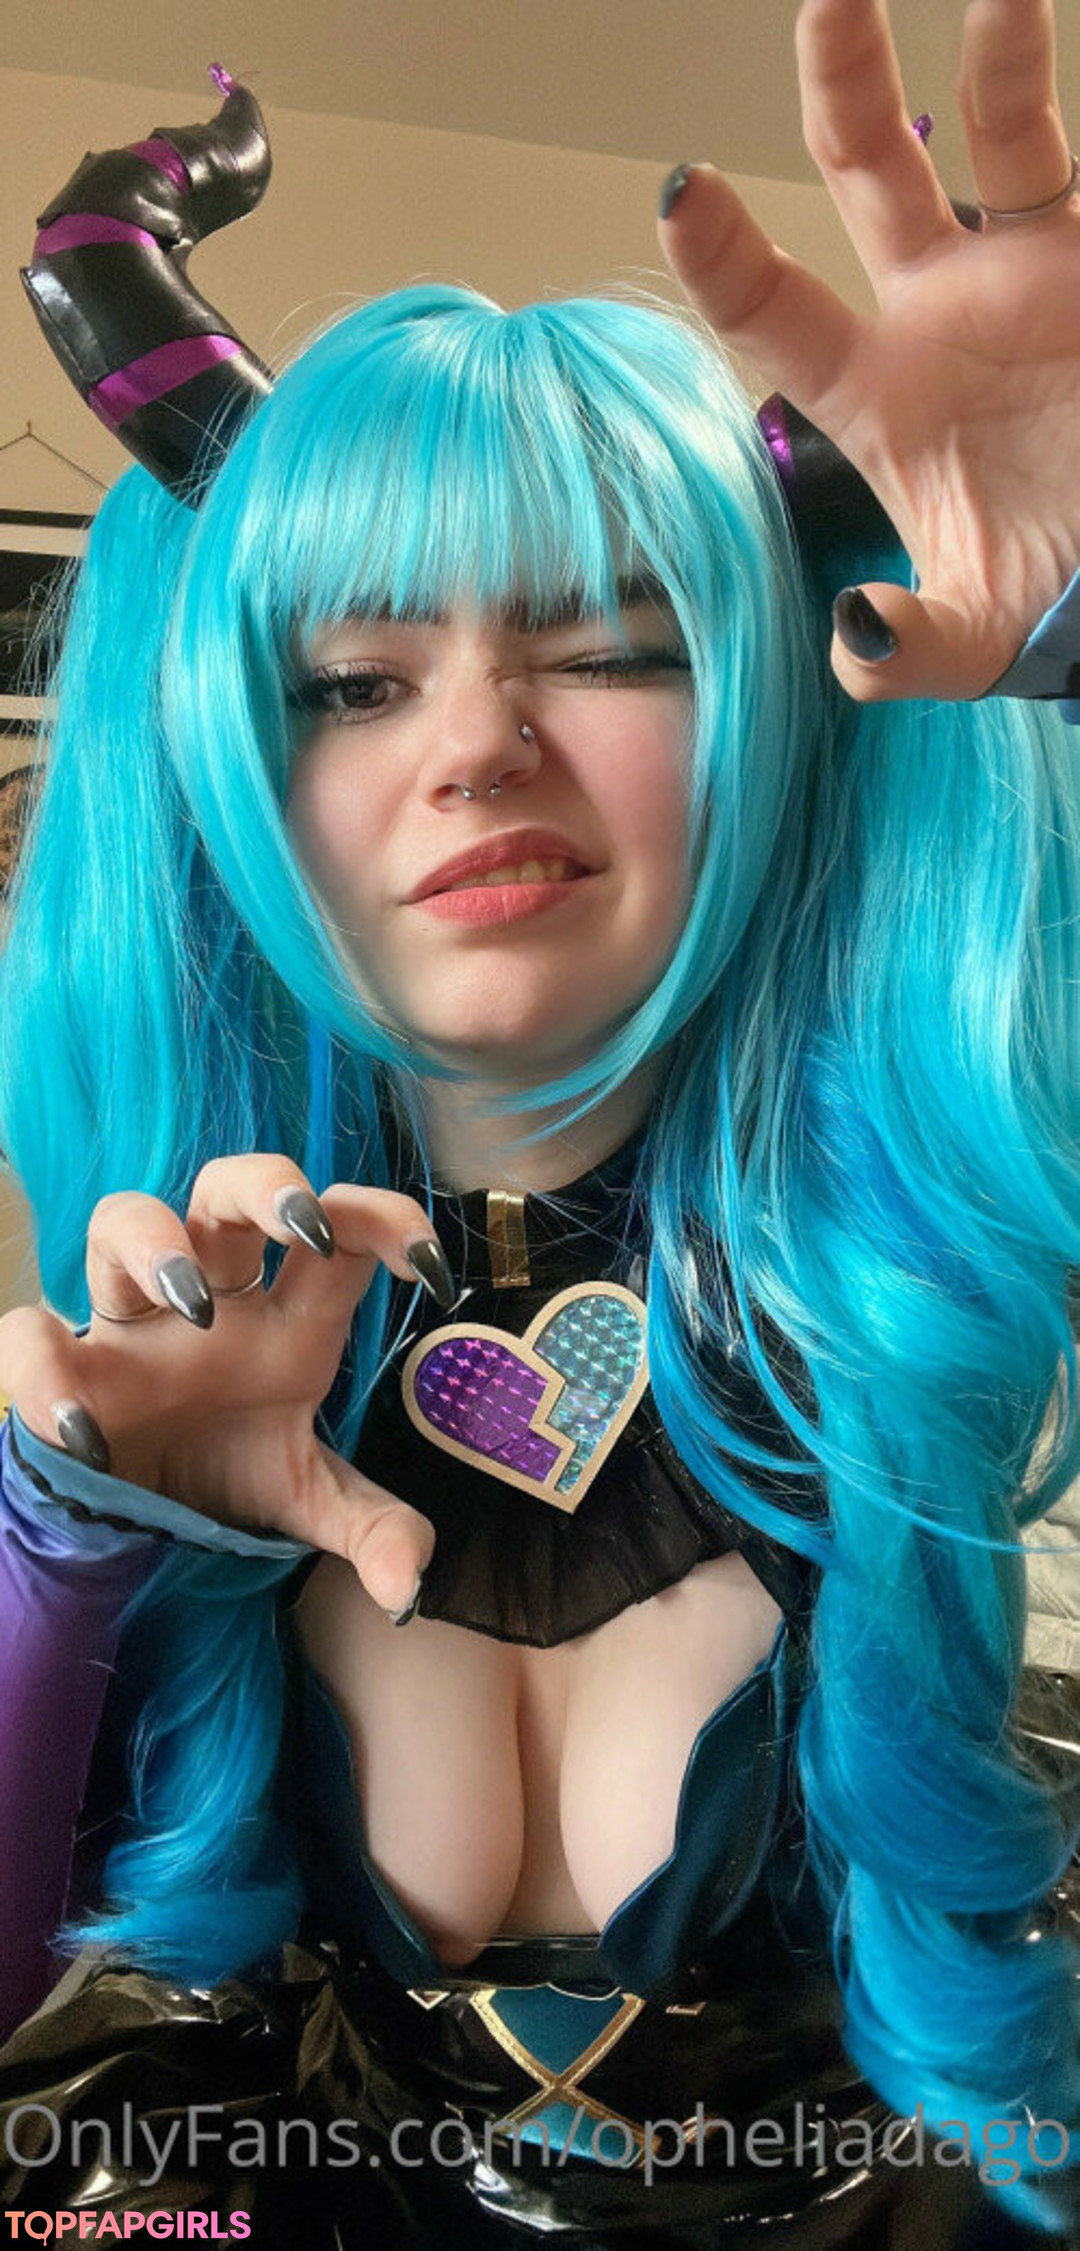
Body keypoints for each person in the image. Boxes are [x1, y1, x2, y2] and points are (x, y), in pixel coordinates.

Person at [0, 2, 1078, 2241]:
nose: (478, 744)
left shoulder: (927, 1349)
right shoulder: (144, 1391)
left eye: (611, 649)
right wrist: (72, 1552)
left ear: (787, 713)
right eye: (353, 680)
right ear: (224, 763)